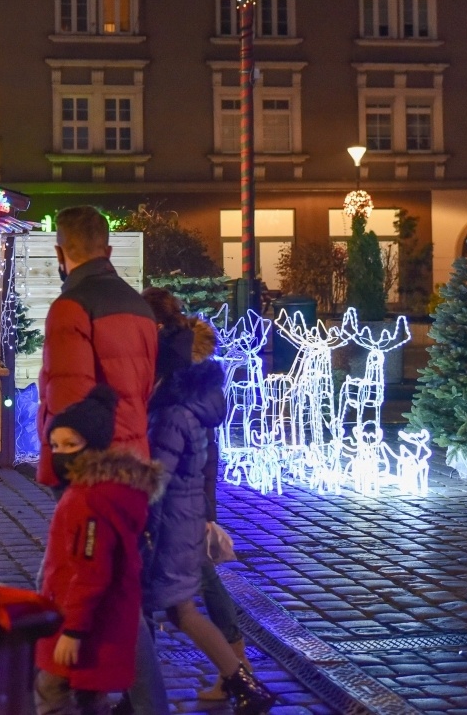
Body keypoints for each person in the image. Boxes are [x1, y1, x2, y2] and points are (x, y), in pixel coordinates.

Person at [36, 206, 163, 715]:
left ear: (60, 252)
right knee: (121, 583)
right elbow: (144, 390)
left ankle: (136, 702)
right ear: (107, 251)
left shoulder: (70, 308)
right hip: (135, 465)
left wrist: (60, 471)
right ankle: (102, 695)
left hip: (93, 474)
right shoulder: (139, 308)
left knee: (80, 583)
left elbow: (71, 403)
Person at [141, 289, 274, 714]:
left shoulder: (177, 376)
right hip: (188, 501)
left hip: (178, 506)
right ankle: (236, 672)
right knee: (186, 596)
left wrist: (201, 508)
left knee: (187, 598)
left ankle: (238, 674)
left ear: (157, 326)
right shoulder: (187, 371)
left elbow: (180, 457)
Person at [34, 386, 165, 715]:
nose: (61, 453)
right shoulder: (102, 491)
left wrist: (73, 631)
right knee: (89, 696)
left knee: (51, 692)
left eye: (71, 445)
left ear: (92, 446)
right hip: (93, 618)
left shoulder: (88, 500)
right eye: (55, 446)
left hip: (80, 621)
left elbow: (91, 572)